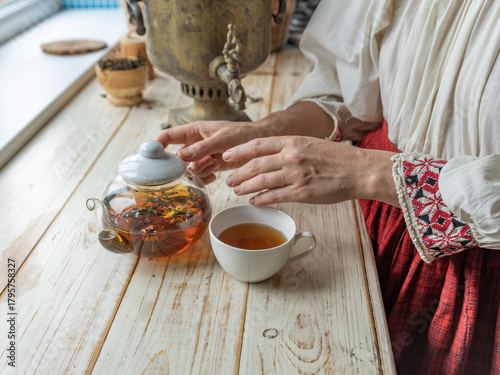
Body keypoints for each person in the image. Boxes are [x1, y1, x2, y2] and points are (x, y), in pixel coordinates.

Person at [156, 1, 500, 373]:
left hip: (480, 279)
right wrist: (266, 130)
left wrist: (369, 174)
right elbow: (347, 89)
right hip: (377, 224)